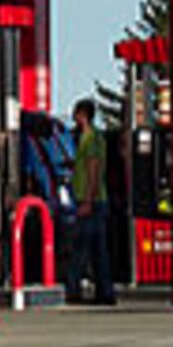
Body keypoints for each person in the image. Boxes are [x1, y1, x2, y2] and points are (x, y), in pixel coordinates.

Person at [68, 98, 120, 305]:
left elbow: (93, 169)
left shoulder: (91, 139)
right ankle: (104, 290)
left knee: (83, 247)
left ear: (83, 115)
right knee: (97, 249)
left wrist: (87, 200)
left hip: (92, 200)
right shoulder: (87, 139)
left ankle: (76, 289)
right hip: (92, 199)